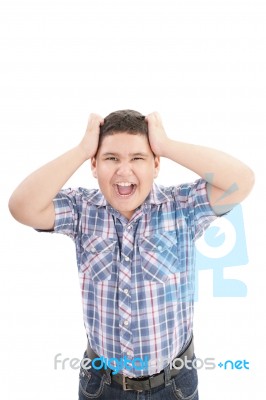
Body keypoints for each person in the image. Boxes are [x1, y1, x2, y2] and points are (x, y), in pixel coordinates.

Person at [8, 110, 254, 399]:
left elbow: (242, 180)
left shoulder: (181, 207)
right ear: (94, 165)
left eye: (137, 158)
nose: (124, 171)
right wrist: (81, 150)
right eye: (111, 158)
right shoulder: (81, 210)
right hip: (102, 385)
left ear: (156, 164)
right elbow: (22, 206)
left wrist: (167, 145)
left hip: (174, 386)